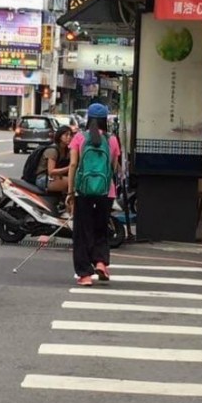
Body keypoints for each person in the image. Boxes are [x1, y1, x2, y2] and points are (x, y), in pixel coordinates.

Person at [66, 103, 120, 286]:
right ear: (106, 120)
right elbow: (113, 168)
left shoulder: (79, 138)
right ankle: (101, 263)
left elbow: (73, 166)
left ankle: (85, 275)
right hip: (106, 192)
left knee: (82, 232)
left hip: (83, 191)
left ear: (88, 118)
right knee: (101, 229)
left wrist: (70, 191)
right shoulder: (112, 139)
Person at [34, 125, 72, 194]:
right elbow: (51, 171)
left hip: (56, 177)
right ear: (60, 136)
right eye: (66, 135)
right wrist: (69, 168)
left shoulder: (67, 150)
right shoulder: (52, 150)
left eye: (70, 135)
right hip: (43, 179)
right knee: (72, 183)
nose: (69, 137)